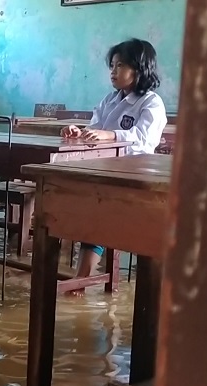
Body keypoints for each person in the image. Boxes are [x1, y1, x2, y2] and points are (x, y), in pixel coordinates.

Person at [60, 38, 167, 295]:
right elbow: (95, 128)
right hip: (103, 171)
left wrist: (111, 136)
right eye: (112, 65)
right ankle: (73, 275)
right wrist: (79, 132)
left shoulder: (151, 103)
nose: (113, 71)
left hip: (133, 175)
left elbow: (144, 142)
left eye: (120, 66)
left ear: (139, 70)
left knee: (99, 208)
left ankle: (80, 280)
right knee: (68, 199)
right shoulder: (109, 99)